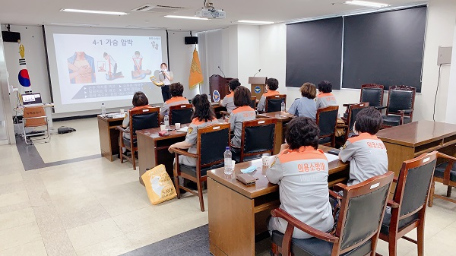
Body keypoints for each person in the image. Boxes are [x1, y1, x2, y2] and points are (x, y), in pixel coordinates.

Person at [267, 117, 334, 239]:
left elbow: (271, 177)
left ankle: (281, 248)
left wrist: (281, 153)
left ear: (289, 139)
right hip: (325, 225)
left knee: (269, 220)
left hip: (297, 230)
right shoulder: (322, 157)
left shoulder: (283, 160)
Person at [339, 107, 388, 186]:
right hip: (378, 191)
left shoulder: (354, 141)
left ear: (358, 124)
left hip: (358, 192)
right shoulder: (380, 142)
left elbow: (341, 156)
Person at [169, 94, 218, 166]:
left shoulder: (195, 125)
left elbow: (187, 144)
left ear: (195, 108)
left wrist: (173, 146)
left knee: (176, 159)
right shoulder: (215, 121)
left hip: (197, 159)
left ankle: (178, 177)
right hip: (214, 157)